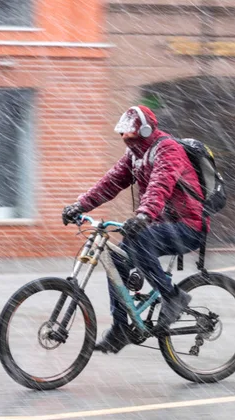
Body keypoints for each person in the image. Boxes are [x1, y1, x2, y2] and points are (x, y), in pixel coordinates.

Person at [62, 105, 206, 353]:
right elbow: (110, 183)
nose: (127, 141)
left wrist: (143, 215)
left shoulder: (168, 149)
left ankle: (173, 297)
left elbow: (160, 185)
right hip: (158, 226)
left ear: (147, 130)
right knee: (116, 261)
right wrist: (80, 205)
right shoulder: (135, 155)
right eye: (123, 136)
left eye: (131, 136)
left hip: (188, 226)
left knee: (139, 241)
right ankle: (120, 329)